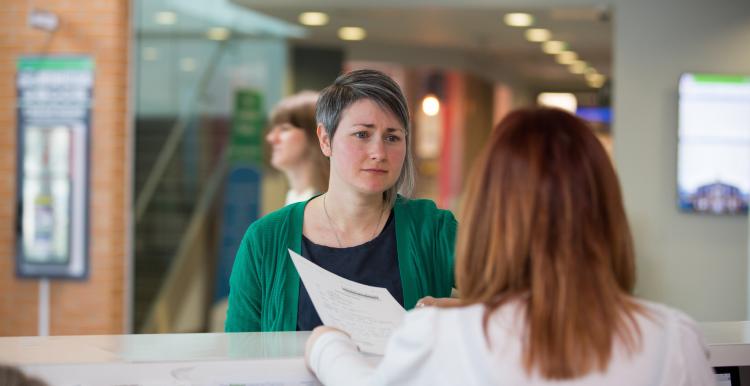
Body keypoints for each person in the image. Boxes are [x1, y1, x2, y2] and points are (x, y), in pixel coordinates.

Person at [305, 108, 715, 385]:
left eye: (392, 136)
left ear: (489, 213)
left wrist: (326, 344)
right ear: (606, 209)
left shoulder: (442, 335)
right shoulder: (674, 338)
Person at [225, 69, 456, 332]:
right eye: (362, 134)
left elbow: (510, 298)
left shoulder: (433, 229)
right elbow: (239, 355)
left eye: (392, 137)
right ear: (325, 139)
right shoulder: (265, 239)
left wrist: (462, 310)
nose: (378, 152)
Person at [266, 90, 329, 205]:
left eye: (285, 129)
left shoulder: (326, 206)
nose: (271, 138)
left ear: (317, 135)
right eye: (273, 129)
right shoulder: (294, 198)